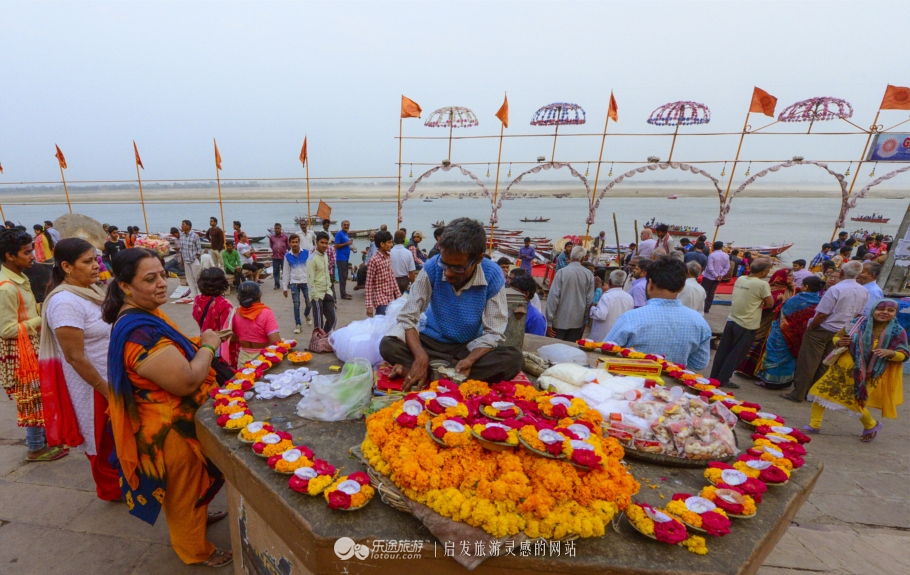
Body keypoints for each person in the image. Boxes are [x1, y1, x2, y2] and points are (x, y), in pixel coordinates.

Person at [102, 248, 231, 567]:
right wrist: (208, 346)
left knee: (195, 484)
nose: (162, 283)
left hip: (178, 421)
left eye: (162, 274)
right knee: (184, 493)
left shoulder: (145, 315)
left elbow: (172, 353)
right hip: (170, 432)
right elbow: (186, 381)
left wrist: (198, 343)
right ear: (125, 286)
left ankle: (198, 517)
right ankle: (195, 551)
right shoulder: (140, 334)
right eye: (150, 279)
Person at [379, 218, 524, 389]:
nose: (448, 273)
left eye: (457, 268)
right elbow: (408, 317)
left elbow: (494, 332)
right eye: (445, 265)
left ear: (478, 259)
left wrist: (470, 359)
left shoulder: (492, 274)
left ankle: (427, 371)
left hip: (468, 346)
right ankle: (447, 372)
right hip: (431, 342)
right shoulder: (432, 267)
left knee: (514, 359)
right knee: (388, 344)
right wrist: (420, 356)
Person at [40, 238, 119, 498]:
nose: (96, 266)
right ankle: (113, 489)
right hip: (93, 385)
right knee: (103, 439)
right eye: (88, 261)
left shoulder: (90, 290)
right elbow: (74, 356)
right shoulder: (65, 302)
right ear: (67, 266)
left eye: (96, 259)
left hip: (109, 376)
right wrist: (105, 390)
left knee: (117, 437)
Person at [1, 228, 67, 461]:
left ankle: (45, 439)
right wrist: (41, 318)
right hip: (22, 350)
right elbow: (6, 330)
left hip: (31, 344)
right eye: (26, 252)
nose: (33, 256)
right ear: (10, 256)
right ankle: (36, 447)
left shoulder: (19, 278)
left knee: (38, 394)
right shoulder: (6, 288)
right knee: (30, 397)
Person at [804, 299, 908, 442]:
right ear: (873, 310)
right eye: (881, 309)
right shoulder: (858, 323)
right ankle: (814, 424)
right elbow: (837, 337)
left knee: (855, 403)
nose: (885, 312)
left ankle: (871, 424)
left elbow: (904, 354)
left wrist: (891, 353)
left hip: (867, 375)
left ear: (895, 313)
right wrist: (839, 342)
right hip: (840, 370)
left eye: (890, 310)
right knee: (820, 393)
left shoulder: (897, 332)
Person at [782, 260, 869, 402]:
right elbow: (858, 314)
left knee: (808, 362)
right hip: (842, 330)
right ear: (858, 274)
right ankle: (814, 394)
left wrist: (811, 328)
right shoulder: (863, 291)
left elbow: (822, 314)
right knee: (826, 362)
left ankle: (799, 393)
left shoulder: (836, 289)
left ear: (841, 273)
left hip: (824, 328)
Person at [606, 257, 711, 370]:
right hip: (673, 380)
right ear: (682, 287)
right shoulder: (699, 322)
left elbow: (606, 351)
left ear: (650, 283)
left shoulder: (630, 318)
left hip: (631, 378)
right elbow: (699, 363)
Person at [710, 258, 774, 388]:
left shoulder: (741, 279)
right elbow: (770, 303)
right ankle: (723, 379)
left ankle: (714, 376)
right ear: (764, 271)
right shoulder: (762, 284)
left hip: (732, 319)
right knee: (736, 354)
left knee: (723, 350)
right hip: (747, 323)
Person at [755, 276, 825, 389]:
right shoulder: (820, 301)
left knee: (775, 354)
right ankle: (785, 381)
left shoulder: (796, 299)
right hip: (800, 335)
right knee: (790, 356)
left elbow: (781, 311)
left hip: (782, 333)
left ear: (806, 286)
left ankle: (770, 381)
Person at [734, 267, 795, 381]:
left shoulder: (790, 289)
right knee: (757, 341)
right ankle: (745, 369)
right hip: (765, 321)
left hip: (777, 324)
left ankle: (759, 371)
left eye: (792, 276)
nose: (792, 278)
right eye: (790, 275)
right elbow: (761, 304)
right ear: (781, 277)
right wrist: (776, 299)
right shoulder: (770, 288)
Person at [545, 246, 595, 342]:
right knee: (571, 349)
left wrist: (549, 321)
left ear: (571, 257)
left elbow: (553, 298)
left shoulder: (561, 273)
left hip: (559, 321)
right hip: (577, 322)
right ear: (583, 258)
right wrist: (584, 320)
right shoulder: (589, 274)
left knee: (554, 348)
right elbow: (589, 301)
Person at [231, 281, 280, 368]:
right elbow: (276, 342)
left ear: (239, 297)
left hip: (243, 362)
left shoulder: (235, 313)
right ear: (259, 295)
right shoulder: (266, 313)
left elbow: (233, 338)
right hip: (263, 360)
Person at [191, 268, 235, 365]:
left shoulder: (197, 299)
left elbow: (196, 316)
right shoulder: (224, 304)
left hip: (204, 341)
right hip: (219, 347)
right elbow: (226, 331)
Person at [589, 269, 633, 341]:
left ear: (610, 281)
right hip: (619, 335)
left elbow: (600, 315)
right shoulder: (629, 297)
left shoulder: (607, 296)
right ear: (623, 283)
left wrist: (592, 308)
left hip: (604, 335)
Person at [365, 230, 400, 317]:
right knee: (382, 323)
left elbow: (391, 277)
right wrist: (369, 305)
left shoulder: (388, 257)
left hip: (390, 298)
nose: (391, 245)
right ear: (382, 244)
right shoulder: (373, 260)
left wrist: (399, 295)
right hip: (380, 300)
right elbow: (368, 284)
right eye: (389, 242)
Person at [307, 232, 336, 333]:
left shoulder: (325, 256)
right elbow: (310, 280)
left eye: (326, 243)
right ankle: (318, 340)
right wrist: (315, 297)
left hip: (327, 292)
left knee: (333, 319)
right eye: (322, 242)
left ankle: (325, 338)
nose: (324, 245)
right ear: (316, 242)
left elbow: (326, 274)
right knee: (319, 325)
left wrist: (330, 290)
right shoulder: (311, 259)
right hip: (317, 294)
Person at [282, 234, 311, 333]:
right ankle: (298, 325)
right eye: (293, 242)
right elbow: (286, 272)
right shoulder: (287, 256)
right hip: (294, 283)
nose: (295, 244)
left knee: (309, 302)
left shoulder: (306, 253)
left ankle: (306, 314)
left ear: (299, 243)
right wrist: (285, 287)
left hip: (306, 281)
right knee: (296, 304)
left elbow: (311, 268)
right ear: (289, 243)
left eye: (296, 242)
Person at [177, 220, 202, 304]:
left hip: (193, 260)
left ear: (188, 226)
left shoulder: (195, 236)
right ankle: (193, 293)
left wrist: (197, 259)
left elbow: (199, 249)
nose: (182, 226)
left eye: (183, 224)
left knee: (197, 277)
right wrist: (182, 260)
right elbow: (182, 249)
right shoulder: (182, 235)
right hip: (186, 260)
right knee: (189, 278)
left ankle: (200, 293)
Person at [701, 241, 730, 313]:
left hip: (709, 277)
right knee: (711, 292)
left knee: (705, 292)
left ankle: (702, 306)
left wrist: (716, 275)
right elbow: (727, 267)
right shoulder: (726, 256)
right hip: (718, 277)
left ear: (713, 247)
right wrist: (721, 275)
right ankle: (707, 307)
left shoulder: (712, 255)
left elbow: (710, 268)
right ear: (722, 247)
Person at [390, 230, 416, 295]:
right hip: (404, 281)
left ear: (394, 240)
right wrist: (413, 285)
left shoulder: (389, 253)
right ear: (404, 240)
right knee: (404, 300)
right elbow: (411, 273)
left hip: (391, 281)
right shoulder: (408, 253)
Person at [334, 220, 353, 300]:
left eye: (347, 225)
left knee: (345, 276)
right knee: (342, 276)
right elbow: (336, 245)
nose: (346, 226)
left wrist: (350, 248)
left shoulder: (345, 234)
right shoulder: (339, 234)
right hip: (341, 258)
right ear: (341, 226)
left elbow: (344, 245)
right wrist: (347, 243)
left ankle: (344, 292)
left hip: (345, 258)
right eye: (344, 225)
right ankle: (343, 294)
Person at [268, 223, 290, 290]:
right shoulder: (271, 237)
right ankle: (277, 285)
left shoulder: (285, 237)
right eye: (276, 228)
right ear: (274, 229)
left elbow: (288, 246)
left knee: (285, 271)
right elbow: (271, 246)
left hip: (283, 257)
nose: (277, 230)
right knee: (276, 272)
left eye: (278, 228)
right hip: (275, 257)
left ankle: (287, 284)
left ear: (281, 229)